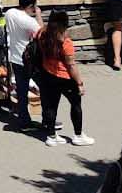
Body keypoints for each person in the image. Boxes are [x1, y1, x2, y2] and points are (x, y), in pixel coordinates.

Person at [36, 10, 94, 147]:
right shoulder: (65, 42)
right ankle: (78, 135)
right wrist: (79, 83)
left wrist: (39, 14)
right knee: (75, 104)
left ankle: (51, 136)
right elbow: (71, 65)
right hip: (64, 77)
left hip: (47, 75)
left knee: (51, 106)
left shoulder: (41, 34)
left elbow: (39, 28)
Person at [4, 0, 42, 129]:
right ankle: (47, 119)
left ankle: (23, 119)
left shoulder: (9, 13)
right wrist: (38, 15)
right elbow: (42, 33)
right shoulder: (29, 21)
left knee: (21, 90)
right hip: (28, 59)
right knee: (43, 87)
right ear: (31, 5)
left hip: (14, 56)